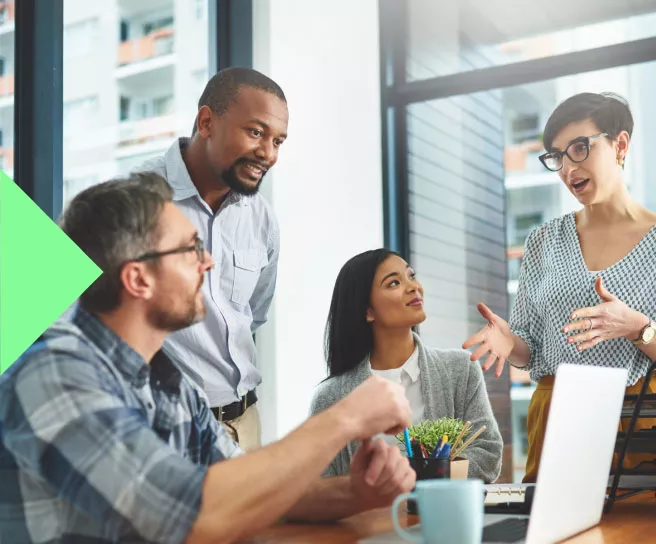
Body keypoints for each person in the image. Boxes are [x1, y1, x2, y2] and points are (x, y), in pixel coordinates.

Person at [0, 174, 416, 544]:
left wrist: (356, 493)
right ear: (138, 278)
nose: (209, 261)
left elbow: (245, 488)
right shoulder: (54, 372)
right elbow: (189, 517)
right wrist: (342, 419)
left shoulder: (169, 381)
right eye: (191, 248)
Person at [463, 92, 656, 483]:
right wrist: (508, 343)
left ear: (620, 144)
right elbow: (529, 349)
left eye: (580, 148)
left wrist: (638, 328)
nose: (568, 168)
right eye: (558, 156)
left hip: (638, 423)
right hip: (557, 419)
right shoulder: (542, 241)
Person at [134, 67, 289, 451]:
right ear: (206, 122)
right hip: (167, 429)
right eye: (255, 132)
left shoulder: (261, 216)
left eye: (278, 141)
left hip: (245, 423)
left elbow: (253, 315)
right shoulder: (136, 198)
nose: (268, 153)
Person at [310, 249, 503, 482]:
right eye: (393, 283)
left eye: (411, 275)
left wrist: (420, 478)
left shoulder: (460, 370)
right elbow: (320, 483)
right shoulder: (330, 397)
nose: (413, 286)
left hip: (441, 515)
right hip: (367, 518)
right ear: (368, 311)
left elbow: (488, 454)